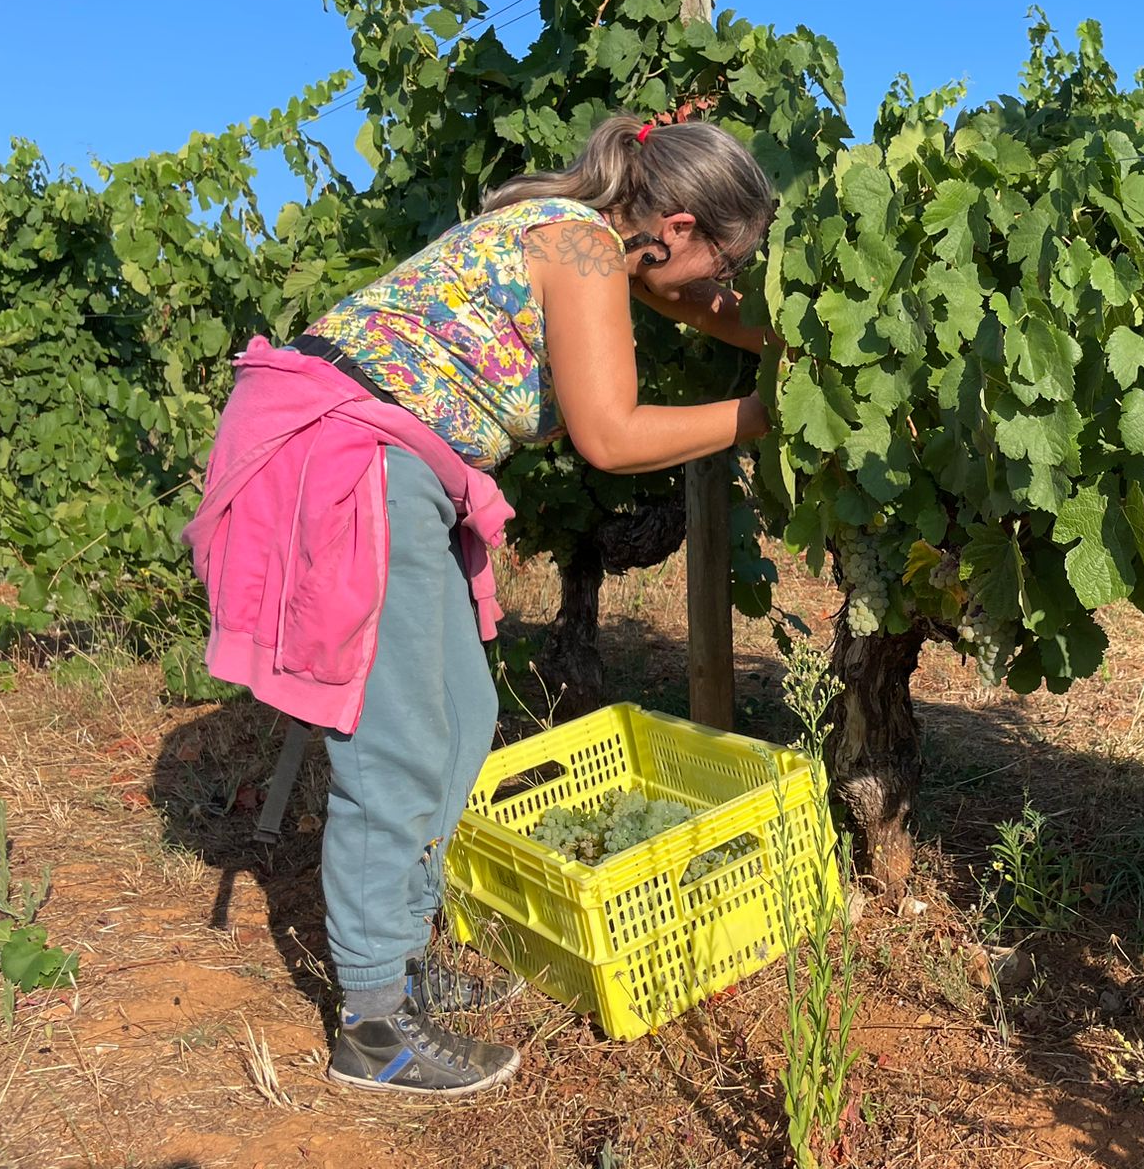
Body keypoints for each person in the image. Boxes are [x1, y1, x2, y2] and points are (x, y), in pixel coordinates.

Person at [181, 113, 774, 1097]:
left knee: (462, 721)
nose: (718, 287)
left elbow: (702, 310)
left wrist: (801, 346)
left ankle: (403, 961)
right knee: (401, 744)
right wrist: (764, 416)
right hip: (351, 460)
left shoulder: (589, 236)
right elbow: (613, 436)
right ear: (670, 226)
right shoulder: (581, 247)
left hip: (384, 459)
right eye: (721, 260)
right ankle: (373, 1027)